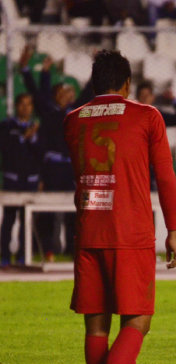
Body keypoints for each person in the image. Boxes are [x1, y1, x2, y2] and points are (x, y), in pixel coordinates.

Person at [64, 50, 176, 364]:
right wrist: (173, 231)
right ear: (127, 83)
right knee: (138, 319)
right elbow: (165, 177)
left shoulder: (72, 120)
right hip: (129, 230)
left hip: (88, 230)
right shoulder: (147, 116)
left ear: (94, 83)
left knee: (96, 325)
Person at [20, 46, 94, 261]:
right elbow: (34, 91)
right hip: (52, 167)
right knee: (48, 211)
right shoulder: (48, 111)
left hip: (71, 167)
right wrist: (29, 70)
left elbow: (88, 91)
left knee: (75, 209)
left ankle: (74, 249)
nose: (65, 96)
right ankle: (48, 250)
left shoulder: (76, 112)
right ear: (54, 96)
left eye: (67, 93)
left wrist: (96, 69)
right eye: (61, 93)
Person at [0, 93, 41, 267]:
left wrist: (33, 139)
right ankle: (5, 257)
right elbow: (5, 148)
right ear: (17, 106)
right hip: (12, 179)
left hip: (30, 180)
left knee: (27, 220)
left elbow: (41, 154)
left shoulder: (37, 128)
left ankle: (25, 256)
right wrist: (23, 137)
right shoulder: (7, 126)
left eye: (29, 104)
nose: (26, 108)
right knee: (9, 219)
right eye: (22, 104)